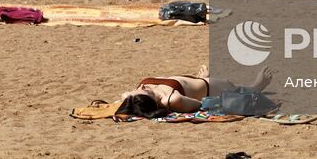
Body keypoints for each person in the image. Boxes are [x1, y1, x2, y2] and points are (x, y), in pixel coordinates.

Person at [116, 67, 275, 117]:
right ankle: (256, 86)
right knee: (241, 88)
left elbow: (125, 100)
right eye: (145, 92)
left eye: (139, 88)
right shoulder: (171, 100)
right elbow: (203, 103)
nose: (143, 87)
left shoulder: (130, 97)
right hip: (210, 87)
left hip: (189, 79)